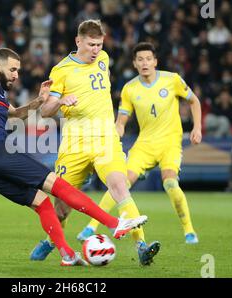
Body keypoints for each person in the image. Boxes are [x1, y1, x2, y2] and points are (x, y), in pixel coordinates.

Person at [0, 47, 147, 266]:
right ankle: (114, 223)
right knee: (59, 186)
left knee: (42, 203)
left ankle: (67, 254)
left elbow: (16, 113)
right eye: (12, 70)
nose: (16, 75)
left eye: (18, 70)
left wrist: (39, 101)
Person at [31, 20, 160, 266]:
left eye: (99, 44)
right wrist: (60, 101)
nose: (95, 50)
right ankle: (51, 241)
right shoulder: (61, 70)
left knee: (119, 186)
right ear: (78, 41)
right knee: (62, 207)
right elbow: (46, 111)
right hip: (74, 144)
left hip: (104, 138)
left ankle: (141, 246)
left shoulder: (104, 58)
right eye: (90, 44)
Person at [77, 42, 202, 245]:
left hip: (169, 143)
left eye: (148, 59)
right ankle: (91, 226)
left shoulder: (172, 80)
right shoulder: (129, 89)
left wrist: (197, 128)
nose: (145, 63)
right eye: (140, 59)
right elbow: (122, 120)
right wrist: (117, 130)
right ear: (134, 63)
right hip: (144, 144)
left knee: (170, 182)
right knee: (120, 182)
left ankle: (189, 230)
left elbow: (194, 101)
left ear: (155, 61)